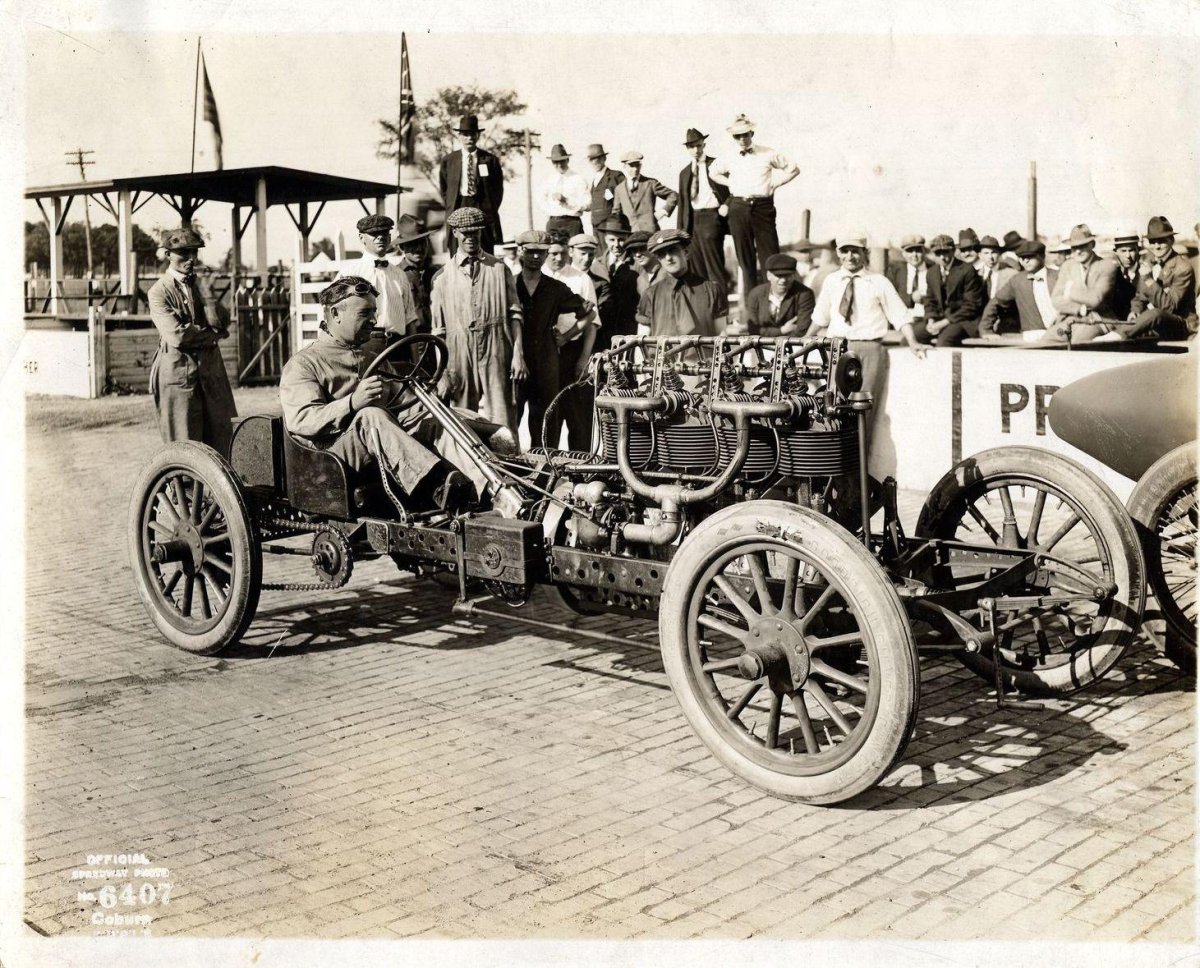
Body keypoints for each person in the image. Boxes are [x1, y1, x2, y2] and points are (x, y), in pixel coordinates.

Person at [280, 276, 520, 517]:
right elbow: (302, 420)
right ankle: (436, 487)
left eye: (374, 312)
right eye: (365, 313)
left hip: (383, 441)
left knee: (433, 419)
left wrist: (430, 401)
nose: (373, 321)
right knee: (371, 415)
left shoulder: (371, 353)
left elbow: (403, 403)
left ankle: (492, 490)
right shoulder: (304, 363)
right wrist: (351, 403)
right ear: (335, 313)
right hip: (332, 457)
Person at [809, 235, 926, 445]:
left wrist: (913, 341)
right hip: (837, 349)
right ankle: (836, 469)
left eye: (856, 251)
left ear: (865, 253)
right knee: (833, 407)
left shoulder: (878, 281)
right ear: (838, 253)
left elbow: (899, 314)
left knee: (863, 411)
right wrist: (805, 340)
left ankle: (858, 470)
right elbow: (820, 317)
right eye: (845, 251)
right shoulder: (832, 281)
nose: (850, 256)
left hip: (869, 350)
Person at [430, 207, 526, 436]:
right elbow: (438, 331)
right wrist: (441, 371)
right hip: (458, 349)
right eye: (465, 233)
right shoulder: (441, 278)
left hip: (496, 346)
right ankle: (469, 469)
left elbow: (515, 314)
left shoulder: (499, 268)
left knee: (502, 418)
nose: (470, 238)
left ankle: (509, 467)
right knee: (463, 418)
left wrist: (518, 354)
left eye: (475, 232)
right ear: (455, 233)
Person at [147, 227, 237, 456]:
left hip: (211, 372)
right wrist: (212, 336)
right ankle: (185, 492)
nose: (190, 258)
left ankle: (218, 492)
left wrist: (207, 295)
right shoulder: (159, 292)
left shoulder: (200, 285)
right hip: (178, 376)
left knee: (222, 438)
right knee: (184, 445)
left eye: (194, 252)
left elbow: (222, 322)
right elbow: (177, 335)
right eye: (183, 253)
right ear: (168, 254)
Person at [512, 230, 596, 450]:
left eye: (541, 252)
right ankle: (513, 471)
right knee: (512, 418)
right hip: (516, 362)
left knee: (545, 423)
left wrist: (566, 337)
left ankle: (544, 475)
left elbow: (589, 313)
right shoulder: (509, 285)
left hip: (546, 362)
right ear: (521, 251)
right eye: (531, 252)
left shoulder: (555, 288)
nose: (536, 257)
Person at [708, 114, 800, 294]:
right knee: (745, 259)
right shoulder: (728, 157)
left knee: (771, 256)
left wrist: (775, 183)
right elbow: (713, 172)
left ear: (752, 133)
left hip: (762, 207)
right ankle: (753, 308)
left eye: (745, 134)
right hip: (738, 208)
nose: (742, 139)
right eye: (737, 136)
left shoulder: (768, 153)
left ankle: (774, 303)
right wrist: (731, 185)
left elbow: (793, 169)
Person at [336, 214, 420, 338]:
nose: (380, 237)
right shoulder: (350, 273)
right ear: (361, 238)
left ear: (390, 237)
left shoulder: (399, 275)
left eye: (385, 233)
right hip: (365, 344)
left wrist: (415, 357)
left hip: (398, 346)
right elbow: (334, 313)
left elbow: (410, 319)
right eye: (374, 234)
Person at [636, 228, 728, 338]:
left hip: (702, 355)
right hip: (663, 355)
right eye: (661, 254)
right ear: (659, 260)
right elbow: (641, 341)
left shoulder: (711, 290)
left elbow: (721, 335)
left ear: (686, 253)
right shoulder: (650, 295)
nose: (668, 258)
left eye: (673, 250)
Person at [1119, 216, 1198, 341]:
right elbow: (1139, 296)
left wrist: (1149, 280)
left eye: (1161, 241)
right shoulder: (1148, 262)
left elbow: (1169, 307)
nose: (1156, 246)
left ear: (1171, 241)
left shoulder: (1183, 268)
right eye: (1152, 241)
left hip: (1181, 326)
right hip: (1154, 325)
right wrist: (1135, 311)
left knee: (1156, 313)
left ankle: (1118, 335)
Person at [438, 114, 504, 255]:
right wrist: (451, 205)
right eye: (466, 135)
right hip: (458, 205)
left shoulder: (490, 160)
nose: (470, 138)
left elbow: (498, 190)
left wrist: (488, 208)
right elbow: (444, 189)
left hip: (481, 207)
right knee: (457, 250)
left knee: (484, 249)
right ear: (460, 136)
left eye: (473, 134)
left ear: (478, 136)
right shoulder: (449, 161)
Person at [1049, 224, 1123, 341]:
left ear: (1092, 245)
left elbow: (1095, 299)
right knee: (1045, 342)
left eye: (1082, 246)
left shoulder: (1106, 265)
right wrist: (1080, 309)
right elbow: (1056, 299)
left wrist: (1069, 291)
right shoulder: (1068, 266)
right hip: (1071, 318)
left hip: (1098, 320)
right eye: (1074, 247)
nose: (1077, 251)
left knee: (1077, 345)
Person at [676, 128, 730, 287]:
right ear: (687, 148)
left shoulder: (716, 164)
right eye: (692, 147)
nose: (696, 150)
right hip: (692, 223)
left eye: (699, 146)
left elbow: (734, 189)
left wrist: (726, 204)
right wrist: (681, 232)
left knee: (715, 268)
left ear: (704, 145)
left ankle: (721, 309)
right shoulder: (684, 173)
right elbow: (683, 205)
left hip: (711, 218)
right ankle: (704, 309)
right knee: (696, 269)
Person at [979, 239, 1061, 341]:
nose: (1025, 261)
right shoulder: (1017, 280)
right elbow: (996, 302)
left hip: (1061, 330)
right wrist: (986, 330)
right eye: (1022, 258)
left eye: (1030, 257)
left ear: (1042, 256)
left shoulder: (1058, 275)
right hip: (1034, 334)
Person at [921, 233, 987, 346]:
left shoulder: (967, 270)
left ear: (953, 251)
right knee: (910, 337)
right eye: (938, 253)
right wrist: (931, 319)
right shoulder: (932, 272)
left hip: (964, 321)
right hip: (940, 320)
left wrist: (944, 322)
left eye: (945, 252)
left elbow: (971, 306)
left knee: (943, 342)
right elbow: (930, 300)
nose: (942, 257)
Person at [590, 213, 640, 352]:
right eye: (612, 240)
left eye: (621, 240)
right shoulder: (597, 264)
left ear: (628, 239)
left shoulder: (636, 265)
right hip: (604, 331)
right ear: (605, 239)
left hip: (629, 328)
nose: (616, 245)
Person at [735, 253, 815, 336]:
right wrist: (781, 330)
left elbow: (802, 330)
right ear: (768, 275)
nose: (783, 280)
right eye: (779, 275)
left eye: (788, 275)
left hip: (793, 346)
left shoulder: (805, 294)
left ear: (794, 275)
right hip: (761, 345)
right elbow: (753, 329)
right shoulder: (755, 294)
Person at [614, 151, 678, 233]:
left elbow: (673, 195)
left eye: (637, 165)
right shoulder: (619, 189)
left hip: (650, 232)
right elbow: (616, 214)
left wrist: (663, 211)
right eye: (631, 166)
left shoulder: (650, 183)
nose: (635, 169)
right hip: (630, 235)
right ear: (625, 167)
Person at [393, 214, 436, 334]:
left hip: (439, 336)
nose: (419, 248)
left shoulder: (438, 274)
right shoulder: (395, 276)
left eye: (423, 242)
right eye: (413, 243)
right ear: (402, 246)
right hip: (412, 340)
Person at [541, 144, 590, 240]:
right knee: (553, 250)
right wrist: (550, 211)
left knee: (575, 251)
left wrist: (567, 200)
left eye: (562, 161)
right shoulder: (548, 180)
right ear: (552, 162)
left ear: (568, 160)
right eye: (555, 162)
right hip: (554, 222)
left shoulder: (578, 179)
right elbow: (540, 200)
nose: (559, 165)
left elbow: (587, 204)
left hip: (572, 222)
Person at [886, 235, 930, 329]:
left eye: (918, 250)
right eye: (910, 251)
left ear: (924, 251)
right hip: (903, 323)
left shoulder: (934, 270)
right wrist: (911, 298)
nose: (914, 255)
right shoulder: (895, 271)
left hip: (927, 321)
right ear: (903, 254)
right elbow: (889, 299)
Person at [584, 143, 625, 240]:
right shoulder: (594, 179)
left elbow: (624, 199)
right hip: (595, 226)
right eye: (591, 159)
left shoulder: (616, 176)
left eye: (598, 158)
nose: (594, 162)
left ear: (604, 159)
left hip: (610, 226)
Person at [1110, 230, 1143, 320]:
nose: (1128, 255)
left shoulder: (1147, 273)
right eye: (1123, 251)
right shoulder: (1112, 275)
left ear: (1138, 250)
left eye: (1131, 250)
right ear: (1116, 252)